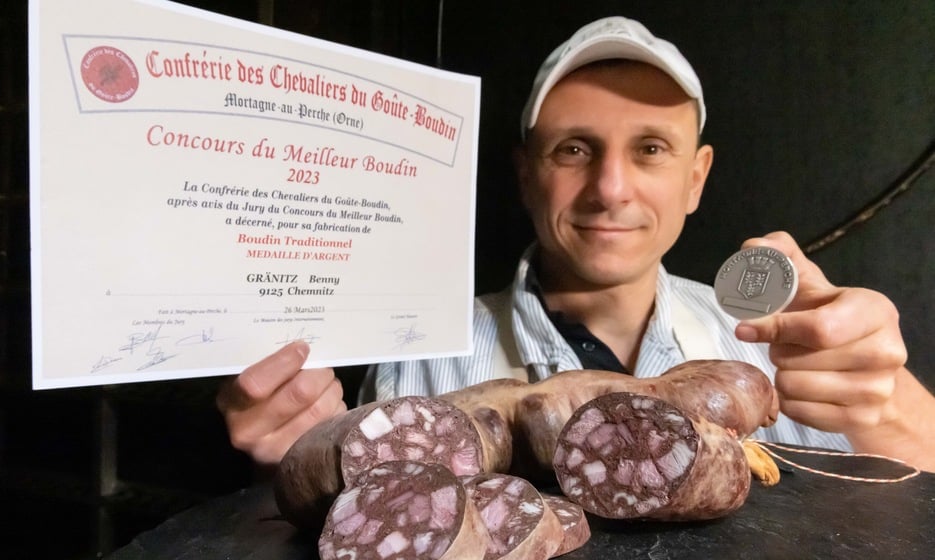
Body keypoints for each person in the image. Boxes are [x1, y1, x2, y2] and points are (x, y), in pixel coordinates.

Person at [217, 16, 935, 472]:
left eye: (650, 149)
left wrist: (896, 412)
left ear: (695, 177)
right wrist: (314, 464)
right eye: (571, 150)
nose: (611, 189)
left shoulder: (774, 346)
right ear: (524, 174)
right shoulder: (421, 358)